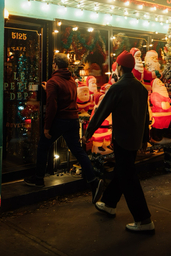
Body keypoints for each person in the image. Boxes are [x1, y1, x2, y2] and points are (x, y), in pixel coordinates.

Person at [84, 50, 155, 234]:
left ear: (120, 67)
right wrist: (145, 139)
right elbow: (145, 115)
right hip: (135, 139)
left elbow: (102, 111)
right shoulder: (140, 88)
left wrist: (88, 132)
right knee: (123, 171)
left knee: (128, 177)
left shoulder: (118, 87)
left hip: (123, 138)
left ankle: (143, 219)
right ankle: (109, 203)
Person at [24, 53, 103, 204]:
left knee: (43, 146)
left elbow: (53, 106)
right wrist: (50, 89)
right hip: (72, 120)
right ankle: (93, 181)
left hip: (60, 120)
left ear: (55, 65)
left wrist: (47, 127)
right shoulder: (71, 80)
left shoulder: (54, 81)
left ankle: (39, 178)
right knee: (79, 152)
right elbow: (65, 94)